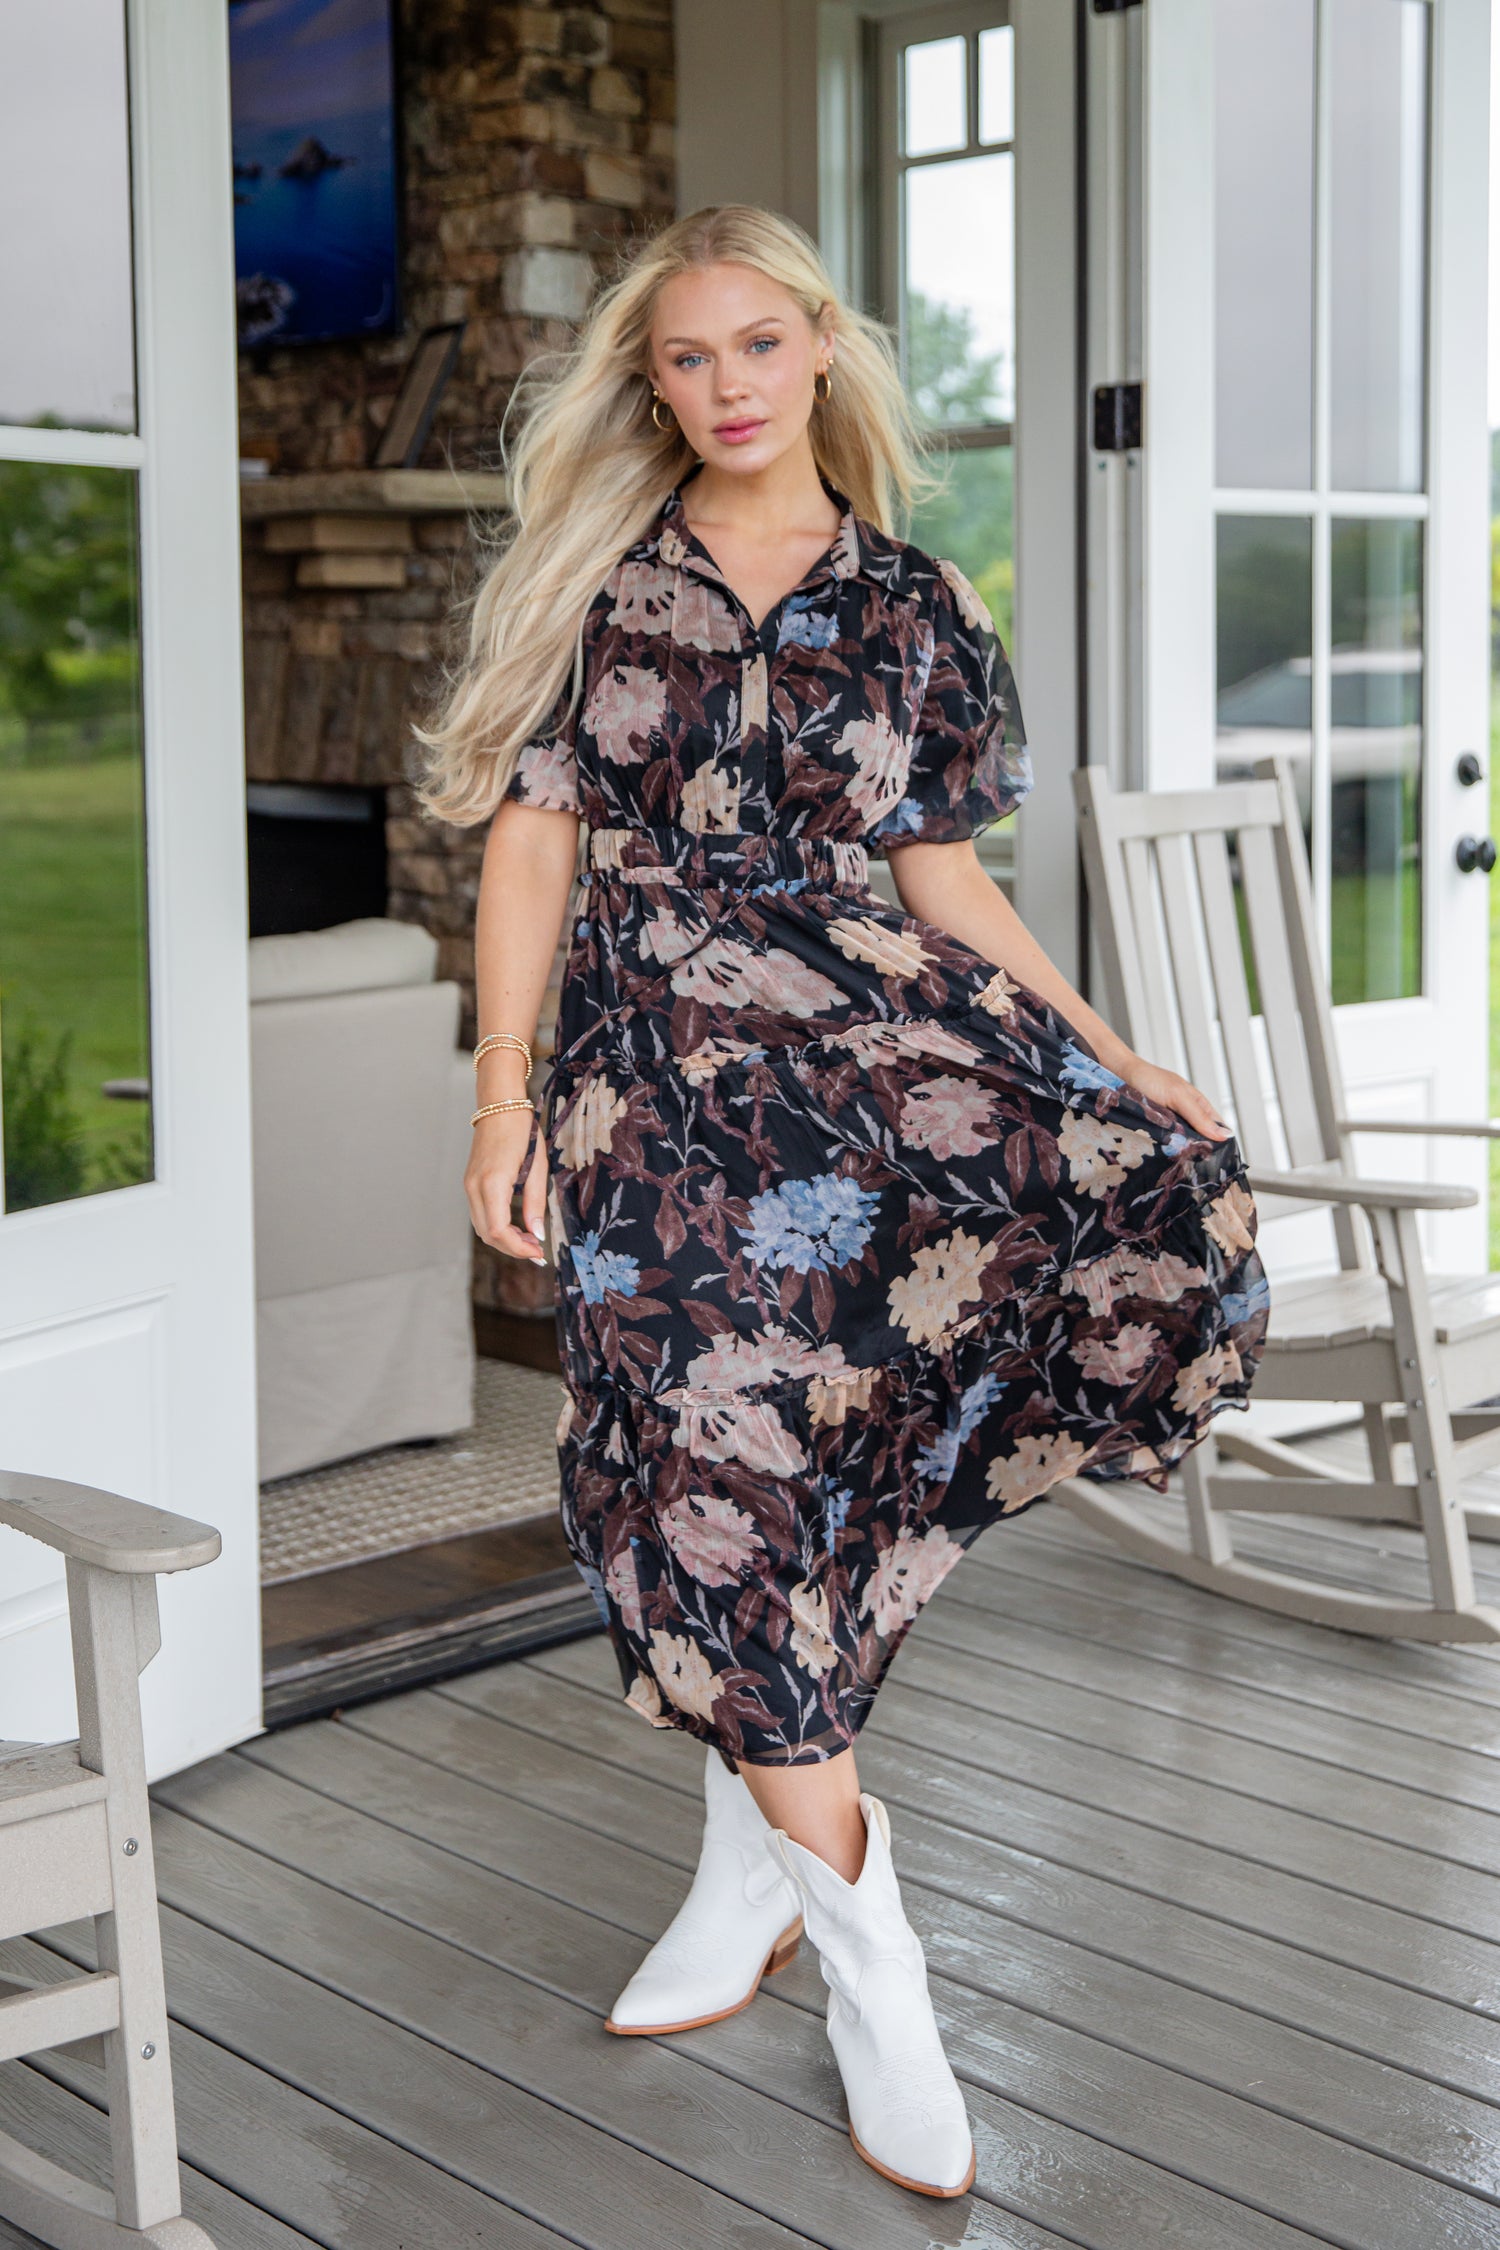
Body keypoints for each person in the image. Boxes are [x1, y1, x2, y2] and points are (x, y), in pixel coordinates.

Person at [416, 203, 1269, 2201]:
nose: (726, 388)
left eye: (759, 348)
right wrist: (500, 1099)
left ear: (821, 351)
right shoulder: (601, 592)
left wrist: (1102, 1045)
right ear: (654, 382)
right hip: (648, 1109)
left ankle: (756, 1877)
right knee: (686, 1477)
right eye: (688, 360)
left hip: (861, 1097)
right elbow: (533, 858)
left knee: (792, 1489)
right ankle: (881, 1966)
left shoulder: (915, 602)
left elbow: (942, 883)